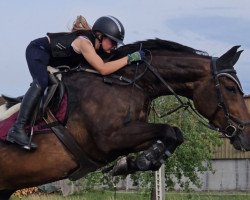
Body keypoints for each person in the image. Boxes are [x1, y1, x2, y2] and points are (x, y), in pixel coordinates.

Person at [6, 15, 145, 150]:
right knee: (41, 82)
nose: (114, 46)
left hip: (53, 59)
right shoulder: (84, 43)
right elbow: (103, 69)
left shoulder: (96, 46)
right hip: (38, 50)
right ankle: (17, 129)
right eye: (113, 42)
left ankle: (25, 104)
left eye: (117, 43)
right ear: (100, 36)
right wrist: (129, 59)